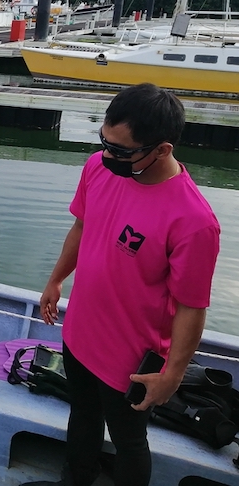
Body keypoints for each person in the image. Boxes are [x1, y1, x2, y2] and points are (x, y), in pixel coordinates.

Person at [22, 83, 220, 486]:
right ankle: (76, 479)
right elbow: (81, 225)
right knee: (81, 415)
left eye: (122, 151)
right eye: (105, 143)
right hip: (80, 331)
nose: (108, 155)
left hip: (130, 357)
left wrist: (172, 375)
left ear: (162, 150)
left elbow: (191, 307)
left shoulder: (194, 221)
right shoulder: (98, 167)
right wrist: (56, 279)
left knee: (130, 441)